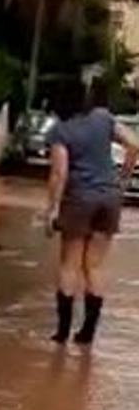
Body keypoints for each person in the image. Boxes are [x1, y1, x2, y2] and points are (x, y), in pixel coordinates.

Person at [46, 79, 139, 344]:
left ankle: (62, 332)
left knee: (69, 265)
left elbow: (59, 173)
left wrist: (52, 209)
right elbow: (133, 145)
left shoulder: (60, 131)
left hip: (79, 199)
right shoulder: (103, 117)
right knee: (95, 266)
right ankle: (87, 332)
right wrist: (122, 179)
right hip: (109, 198)